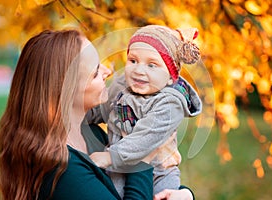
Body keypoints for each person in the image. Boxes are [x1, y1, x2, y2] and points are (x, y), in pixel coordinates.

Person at [0, 29, 194, 200]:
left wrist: (184, 194)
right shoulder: (62, 170)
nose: (108, 71)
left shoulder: (91, 134)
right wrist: (141, 157)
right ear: (67, 91)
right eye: (96, 72)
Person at [87, 25, 202, 197]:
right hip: (118, 167)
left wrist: (110, 158)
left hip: (158, 174)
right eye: (133, 61)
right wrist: (82, 115)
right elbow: (101, 109)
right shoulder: (121, 87)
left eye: (152, 65)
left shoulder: (170, 103)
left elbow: (146, 137)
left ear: (171, 76)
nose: (139, 70)